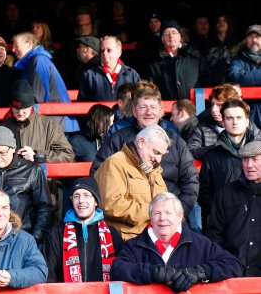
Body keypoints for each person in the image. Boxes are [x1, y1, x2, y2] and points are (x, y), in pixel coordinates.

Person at [91, 87, 199, 219]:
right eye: (143, 107)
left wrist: (179, 213)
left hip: (171, 215)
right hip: (129, 219)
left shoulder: (175, 140)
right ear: (134, 112)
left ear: (161, 111)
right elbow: (98, 174)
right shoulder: (118, 139)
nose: (149, 112)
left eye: (153, 107)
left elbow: (191, 180)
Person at [110, 192, 242, 292]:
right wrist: (154, 273)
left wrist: (199, 272)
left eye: (168, 213)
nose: (162, 218)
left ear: (180, 216)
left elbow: (233, 264)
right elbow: (117, 270)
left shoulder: (200, 243)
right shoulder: (135, 245)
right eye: (157, 213)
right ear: (150, 217)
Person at [95, 125, 170, 240]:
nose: (159, 160)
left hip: (151, 239)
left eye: (161, 155)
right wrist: (152, 211)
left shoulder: (154, 169)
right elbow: (110, 205)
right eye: (156, 152)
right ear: (141, 142)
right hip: (125, 242)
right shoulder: (115, 163)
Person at [42, 177, 123, 282]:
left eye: (86, 195)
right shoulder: (56, 234)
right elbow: (49, 277)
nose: (81, 201)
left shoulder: (112, 234)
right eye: (76, 196)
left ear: (96, 201)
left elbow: (121, 273)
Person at [200, 100, 260, 230]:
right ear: (222, 122)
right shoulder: (211, 156)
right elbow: (204, 193)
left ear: (247, 120)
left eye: (239, 117)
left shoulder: (260, 152)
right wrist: (220, 212)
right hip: (223, 224)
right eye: (229, 118)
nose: (235, 122)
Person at [207, 141, 261, 276]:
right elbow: (215, 235)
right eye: (245, 160)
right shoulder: (225, 193)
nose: (249, 165)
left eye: (255, 159)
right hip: (231, 273)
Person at [12, 32, 79, 132]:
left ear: (29, 44)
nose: (13, 50)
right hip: (52, 122)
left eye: (16, 45)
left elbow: (37, 97)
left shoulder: (39, 61)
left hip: (57, 123)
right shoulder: (31, 63)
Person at [0, 80, 75, 163]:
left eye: (24, 109)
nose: (20, 113)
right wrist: (7, 157)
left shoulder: (48, 125)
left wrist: (37, 155)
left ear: (31, 106)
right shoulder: (3, 127)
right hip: (13, 175)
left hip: (40, 174)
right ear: (10, 106)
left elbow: (68, 155)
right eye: (16, 109)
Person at [145, 19, 210, 99]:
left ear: (180, 37)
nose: (171, 36)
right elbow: (151, 91)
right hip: (167, 109)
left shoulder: (196, 59)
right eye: (166, 33)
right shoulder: (154, 64)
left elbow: (207, 84)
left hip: (195, 108)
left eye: (174, 32)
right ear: (162, 39)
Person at [187, 83, 241, 160]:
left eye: (219, 105)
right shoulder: (201, 126)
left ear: (232, 106)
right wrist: (217, 149)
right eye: (212, 104)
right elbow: (191, 151)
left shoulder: (248, 126)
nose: (214, 110)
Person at [77, 36, 140, 101]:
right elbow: (82, 103)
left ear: (119, 52)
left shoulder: (132, 75)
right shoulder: (89, 75)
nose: (104, 53)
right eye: (102, 50)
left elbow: (139, 101)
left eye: (109, 50)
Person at [228, 24, 261, 127]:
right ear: (246, 40)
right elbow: (233, 76)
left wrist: (245, 76)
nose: (254, 40)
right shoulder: (238, 59)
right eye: (250, 37)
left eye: (257, 37)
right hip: (247, 110)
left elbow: (240, 77)